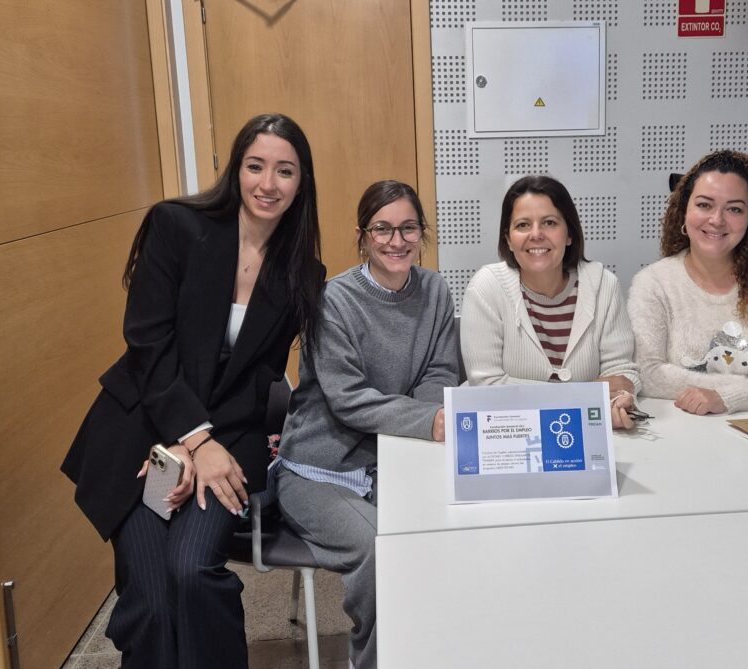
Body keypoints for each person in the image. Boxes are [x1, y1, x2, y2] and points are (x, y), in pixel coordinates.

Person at [61, 113, 325, 668]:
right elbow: (147, 345)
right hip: (142, 432)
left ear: (302, 182)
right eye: (255, 166)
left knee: (192, 571)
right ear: (236, 169)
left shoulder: (302, 272)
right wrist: (189, 440)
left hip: (228, 441)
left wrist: (205, 445)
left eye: (284, 171)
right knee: (152, 595)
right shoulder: (177, 226)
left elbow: (261, 378)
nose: (268, 183)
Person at [276, 180, 458, 669]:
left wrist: (428, 420)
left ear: (422, 233)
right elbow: (348, 400)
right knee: (381, 550)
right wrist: (428, 420)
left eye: (408, 228)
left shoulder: (435, 290)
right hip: (319, 469)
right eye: (382, 229)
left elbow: (441, 372)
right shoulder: (332, 300)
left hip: (393, 461)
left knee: (444, 537)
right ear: (362, 236)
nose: (396, 241)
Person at [627, 149, 748, 415]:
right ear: (684, 210)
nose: (717, 220)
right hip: (683, 427)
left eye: (734, 209)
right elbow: (647, 373)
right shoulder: (653, 283)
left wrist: (726, 397)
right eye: (704, 205)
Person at [460, 175, 640, 429]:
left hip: (589, 432)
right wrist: (583, 395)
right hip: (511, 433)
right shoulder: (486, 288)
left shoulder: (604, 285)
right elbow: (486, 385)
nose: (536, 234)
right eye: (523, 225)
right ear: (508, 239)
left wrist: (621, 398)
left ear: (569, 234)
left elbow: (621, 373)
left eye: (549, 223)